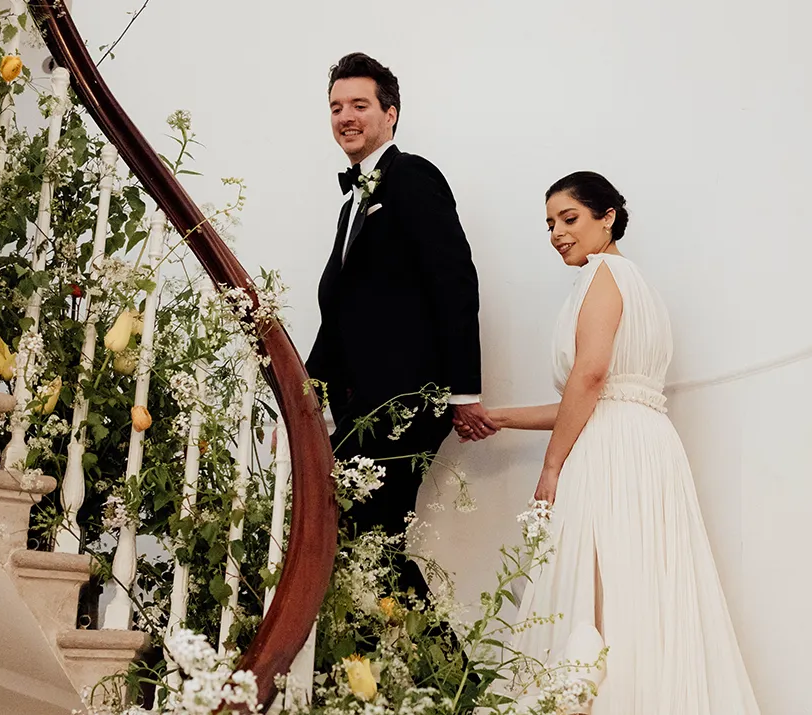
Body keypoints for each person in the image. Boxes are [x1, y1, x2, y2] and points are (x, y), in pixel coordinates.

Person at [456, 172, 760, 713]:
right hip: (647, 446)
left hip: (609, 451)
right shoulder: (640, 287)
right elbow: (599, 394)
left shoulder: (602, 274)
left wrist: (551, 468)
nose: (557, 234)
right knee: (644, 589)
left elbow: (590, 378)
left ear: (608, 217)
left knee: (599, 590)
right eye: (549, 224)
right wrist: (499, 417)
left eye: (569, 219)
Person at [305, 52, 497, 600]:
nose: (346, 116)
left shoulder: (413, 176)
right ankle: (400, 673)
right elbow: (338, 314)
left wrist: (463, 393)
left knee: (370, 534)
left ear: (390, 113)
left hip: (405, 402)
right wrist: (306, 397)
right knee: (361, 541)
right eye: (336, 106)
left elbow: (455, 282)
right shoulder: (352, 205)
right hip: (358, 403)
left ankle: (451, 676)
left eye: (360, 104)